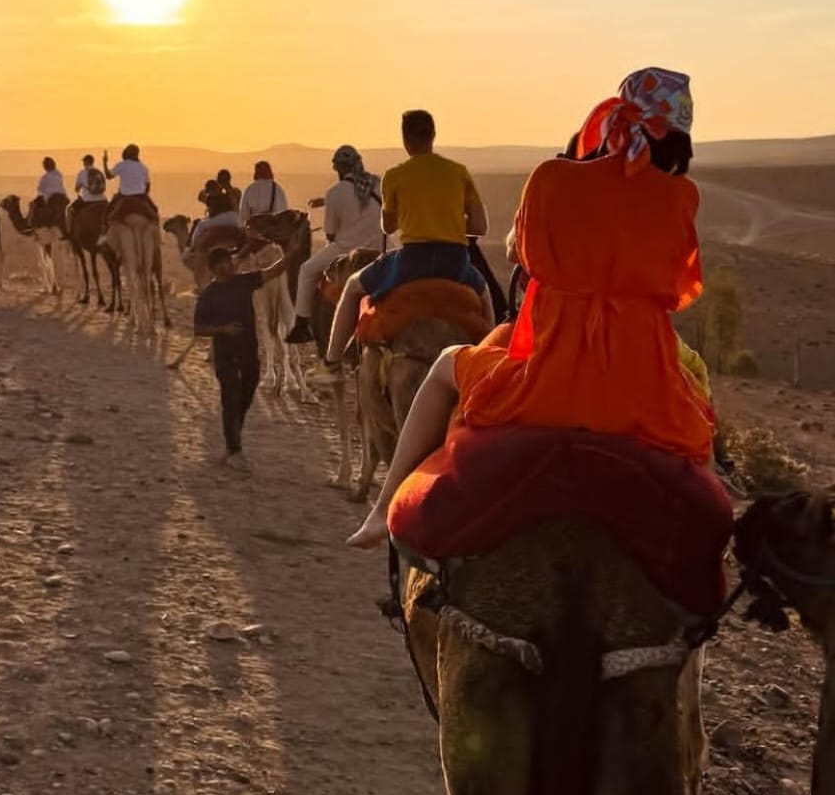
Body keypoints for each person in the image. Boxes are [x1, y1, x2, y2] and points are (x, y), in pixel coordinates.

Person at [346, 67, 713, 549]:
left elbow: (524, 256)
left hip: (550, 374)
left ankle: (382, 509)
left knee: (442, 366)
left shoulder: (552, 177)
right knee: (702, 445)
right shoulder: (683, 198)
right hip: (644, 385)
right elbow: (678, 290)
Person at [322, 111, 492, 372]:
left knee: (354, 287)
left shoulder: (395, 175)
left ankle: (331, 363)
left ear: (405, 139)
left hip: (413, 261)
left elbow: (388, 226)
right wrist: (451, 224)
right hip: (455, 262)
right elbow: (480, 226)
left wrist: (415, 217)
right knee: (485, 296)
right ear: (433, 135)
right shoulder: (459, 172)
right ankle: (492, 363)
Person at [194, 243, 291, 472]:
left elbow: (273, 272)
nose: (228, 265)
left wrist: (292, 251)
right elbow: (198, 328)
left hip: (248, 352)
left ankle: (232, 440)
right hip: (225, 356)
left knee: (244, 396)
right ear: (214, 268)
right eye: (223, 263)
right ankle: (235, 450)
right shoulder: (209, 294)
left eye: (229, 260)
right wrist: (222, 329)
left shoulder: (243, 282)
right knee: (230, 397)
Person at [284, 145, 383, 344]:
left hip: (346, 249)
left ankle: (302, 324)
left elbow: (330, 233)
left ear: (338, 169)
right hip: (378, 247)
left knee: (306, 270)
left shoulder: (335, 192)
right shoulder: (376, 183)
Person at [240, 161, 289, 225]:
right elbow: (284, 211)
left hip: (255, 230)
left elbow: (244, 215)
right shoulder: (278, 189)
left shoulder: (250, 189)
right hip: (274, 229)